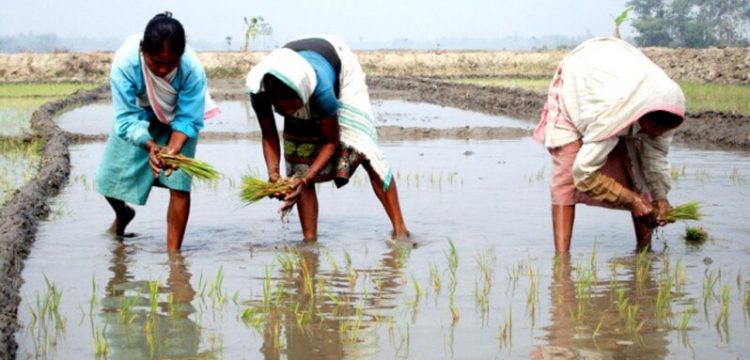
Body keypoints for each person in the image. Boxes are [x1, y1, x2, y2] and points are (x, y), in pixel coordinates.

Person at [246, 34, 408, 242]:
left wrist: (306, 180)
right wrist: (274, 174)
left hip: (339, 68)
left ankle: (400, 230)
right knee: (298, 164)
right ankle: (309, 242)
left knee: (366, 151)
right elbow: (269, 133)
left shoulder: (321, 90)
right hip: (294, 66)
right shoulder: (260, 91)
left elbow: (332, 141)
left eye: (294, 108)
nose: (290, 114)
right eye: (281, 110)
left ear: (302, 96)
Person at [533, 37, 686, 252]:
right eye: (654, 126)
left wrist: (661, 198)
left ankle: (645, 254)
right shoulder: (612, 112)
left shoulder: (666, 108)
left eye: (664, 129)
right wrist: (632, 199)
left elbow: (654, 160)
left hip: (614, 77)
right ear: (642, 113)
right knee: (566, 174)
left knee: (639, 175)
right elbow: (583, 174)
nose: (657, 133)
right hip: (580, 81)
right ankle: (561, 264)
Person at [95, 12, 219, 250]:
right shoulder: (125, 64)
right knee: (109, 179)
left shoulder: (191, 69)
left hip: (177, 120)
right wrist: (150, 145)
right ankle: (123, 214)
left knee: (179, 184)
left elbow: (188, 118)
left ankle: (174, 256)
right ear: (143, 50)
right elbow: (126, 118)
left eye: (170, 63)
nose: (163, 70)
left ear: (180, 56)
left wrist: (171, 151)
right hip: (138, 115)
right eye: (156, 63)